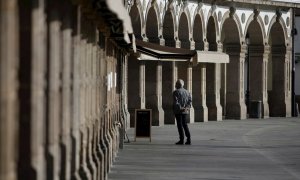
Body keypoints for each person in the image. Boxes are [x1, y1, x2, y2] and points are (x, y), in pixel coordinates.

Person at [173, 79, 192, 145]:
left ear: (178, 85)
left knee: (179, 125)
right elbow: (190, 101)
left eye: (176, 84)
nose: (175, 85)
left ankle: (181, 139)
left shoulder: (176, 92)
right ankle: (189, 139)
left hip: (178, 111)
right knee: (185, 124)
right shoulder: (187, 92)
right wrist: (186, 108)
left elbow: (176, 102)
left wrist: (180, 108)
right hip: (185, 111)